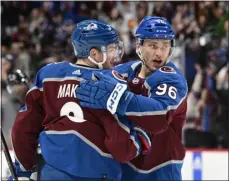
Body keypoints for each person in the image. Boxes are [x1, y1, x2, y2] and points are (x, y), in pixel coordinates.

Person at [11, 20, 151, 181]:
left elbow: (22, 129)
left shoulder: (49, 76)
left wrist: (23, 170)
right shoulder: (112, 83)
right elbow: (123, 148)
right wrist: (141, 140)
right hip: (100, 174)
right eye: (111, 49)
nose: (115, 56)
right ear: (94, 54)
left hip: (54, 174)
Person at [76, 16, 188, 180]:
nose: (159, 52)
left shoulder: (172, 79)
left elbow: (159, 116)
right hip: (123, 171)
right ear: (139, 46)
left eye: (165, 46)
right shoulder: (121, 71)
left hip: (161, 172)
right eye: (153, 45)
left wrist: (116, 98)